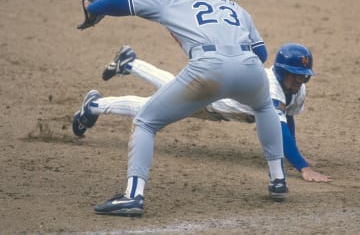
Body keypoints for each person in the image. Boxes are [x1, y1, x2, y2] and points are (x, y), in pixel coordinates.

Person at [74, 0, 287, 216]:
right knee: (265, 107)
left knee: (145, 121)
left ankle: (132, 197)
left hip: (208, 69)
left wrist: (92, 8)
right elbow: (262, 55)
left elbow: (122, 1)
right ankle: (278, 180)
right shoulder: (236, 7)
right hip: (249, 69)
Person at [73, 43, 332, 183]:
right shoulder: (271, 87)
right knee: (147, 109)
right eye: (295, 75)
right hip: (206, 100)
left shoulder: (296, 91)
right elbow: (279, 129)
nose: (299, 81)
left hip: (212, 96)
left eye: (304, 77)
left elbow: (287, 119)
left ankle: (130, 62)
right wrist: (301, 167)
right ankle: (94, 105)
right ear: (281, 71)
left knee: (168, 83)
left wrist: (299, 155)